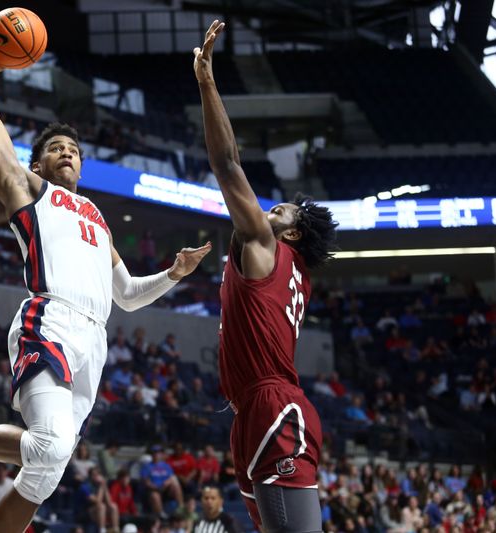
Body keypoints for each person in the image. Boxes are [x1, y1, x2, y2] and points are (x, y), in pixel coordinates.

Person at [0, 30, 211, 533]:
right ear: (38, 163)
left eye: (74, 149)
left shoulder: (97, 217)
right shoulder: (30, 190)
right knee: (49, 445)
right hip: (50, 319)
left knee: (45, 474)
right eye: (57, 149)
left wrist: (173, 273)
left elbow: (124, 296)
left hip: (95, 339)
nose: (68, 153)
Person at [194, 21, 337, 532]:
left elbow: (227, 163)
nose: (274, 208)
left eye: (286, 212)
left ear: (292, 236)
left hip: (272, 403)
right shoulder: (294, 272)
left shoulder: (265, 246)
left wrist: (207, 80)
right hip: (255, 407)